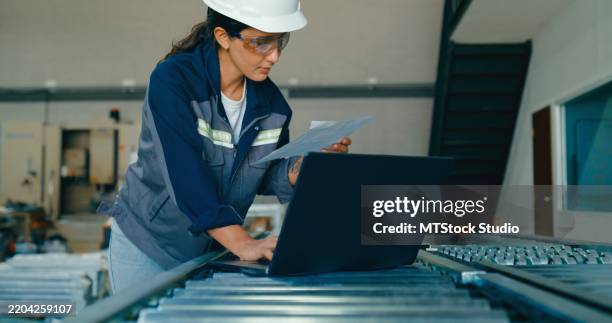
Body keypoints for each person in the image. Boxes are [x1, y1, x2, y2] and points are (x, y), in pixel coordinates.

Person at [98, 0, 352, 294]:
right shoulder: (173, 82)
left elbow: (266, 173)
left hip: (210, 249)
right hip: (149, 244)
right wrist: (242, 242)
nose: (275, 56)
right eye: (261, 43)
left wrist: (302, 166)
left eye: (280, 41)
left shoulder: (272, 106)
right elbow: (184, 173)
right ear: (223, 37)